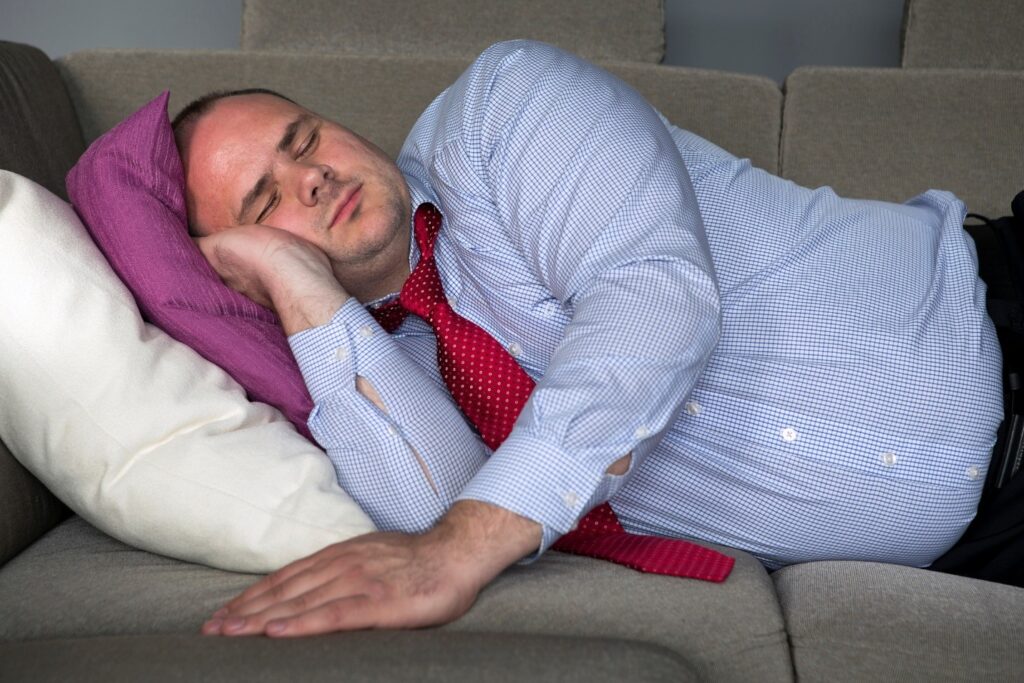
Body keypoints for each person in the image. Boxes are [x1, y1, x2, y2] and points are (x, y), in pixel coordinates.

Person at [173, 40, 1004, 637]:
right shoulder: (386, 375)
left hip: (1001, 311)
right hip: (993, 548)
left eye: (305, 139)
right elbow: (436, 506)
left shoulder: (504, 112)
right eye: (263, 201)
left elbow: (654, 299)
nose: (312, 175)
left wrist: (462, 547)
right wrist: (303, 288)